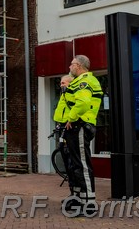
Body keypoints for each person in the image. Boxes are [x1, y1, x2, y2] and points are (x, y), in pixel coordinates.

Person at [63, 55, 103, 213]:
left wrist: (71, 118)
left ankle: (89, 203)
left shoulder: (84, 81)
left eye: (71, 64)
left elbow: (83, 103)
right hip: (78, 125)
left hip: (80, 125)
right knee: (77, 165)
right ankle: (79, 198)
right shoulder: (82, 81)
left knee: (82, 165)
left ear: (78, 65)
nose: (69, 67)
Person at [53, 74, 76, 197]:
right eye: (61, 83)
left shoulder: (71, 94)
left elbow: (76, 109)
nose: (61, 85)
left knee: (71, 161)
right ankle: (72, 191)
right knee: (64, 156)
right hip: (62, 127)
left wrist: (70, 121)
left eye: (63, 83)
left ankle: (74, 191)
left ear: (70, 83)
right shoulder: (63, 94)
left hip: (69, 128)